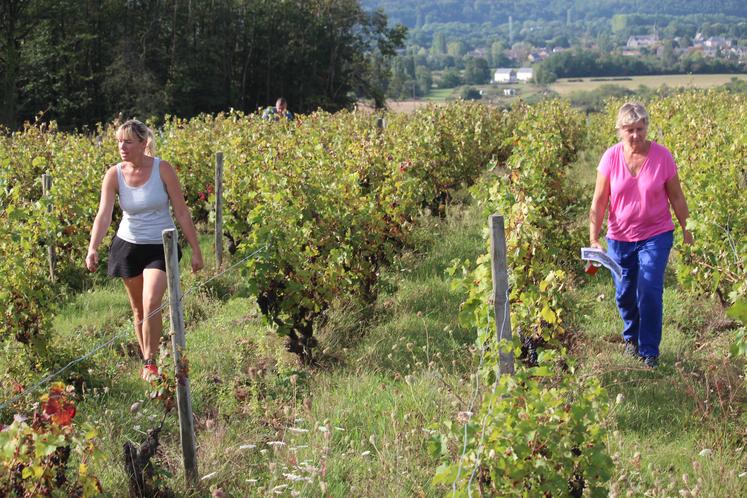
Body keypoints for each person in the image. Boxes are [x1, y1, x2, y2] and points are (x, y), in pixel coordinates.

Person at [85, 119, 204, 380]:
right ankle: (149, 363)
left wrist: (196, 250)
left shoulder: (163, 169)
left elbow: (182, 212)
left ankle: (151, 359)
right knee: (138, 309)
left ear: (142, 143)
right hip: (128, 245)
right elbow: (103, 215)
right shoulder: (113, 174)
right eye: (119, 141)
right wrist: (93, 248)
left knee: (152, 303)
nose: (122, 147)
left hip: (160, 245)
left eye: (127, 141)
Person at [589, 102, 693, 368]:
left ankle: (649, 352)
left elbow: (677, 198)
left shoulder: (662, 157)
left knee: (649, 288)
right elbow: (599, 201)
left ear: (647, 127)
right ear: (620, 130)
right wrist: (594, 238)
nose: (635, 135)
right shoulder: (610, 158)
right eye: (629, 130)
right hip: (619, 237)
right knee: (624, 293)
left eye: (640, 128)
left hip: (655, 235)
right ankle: (630, 339)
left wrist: (687, 229)